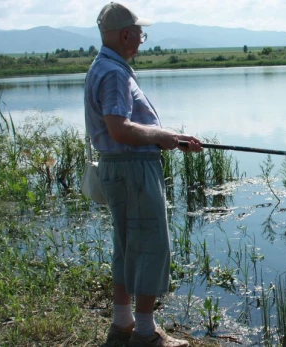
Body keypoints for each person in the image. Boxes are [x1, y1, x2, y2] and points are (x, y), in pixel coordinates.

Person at [84, 2, 202, 346]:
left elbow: (124, 129)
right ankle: (147, 334)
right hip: (133, 171)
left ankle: (122, 326)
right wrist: (161, 136)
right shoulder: (114, 73)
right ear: (125, 35)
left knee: (126, 246)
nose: (141, 40)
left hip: (121, 168)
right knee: (151, 246)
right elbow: (119, 129)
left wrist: (173, 139)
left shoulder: (103, 67)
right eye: (140, 34)